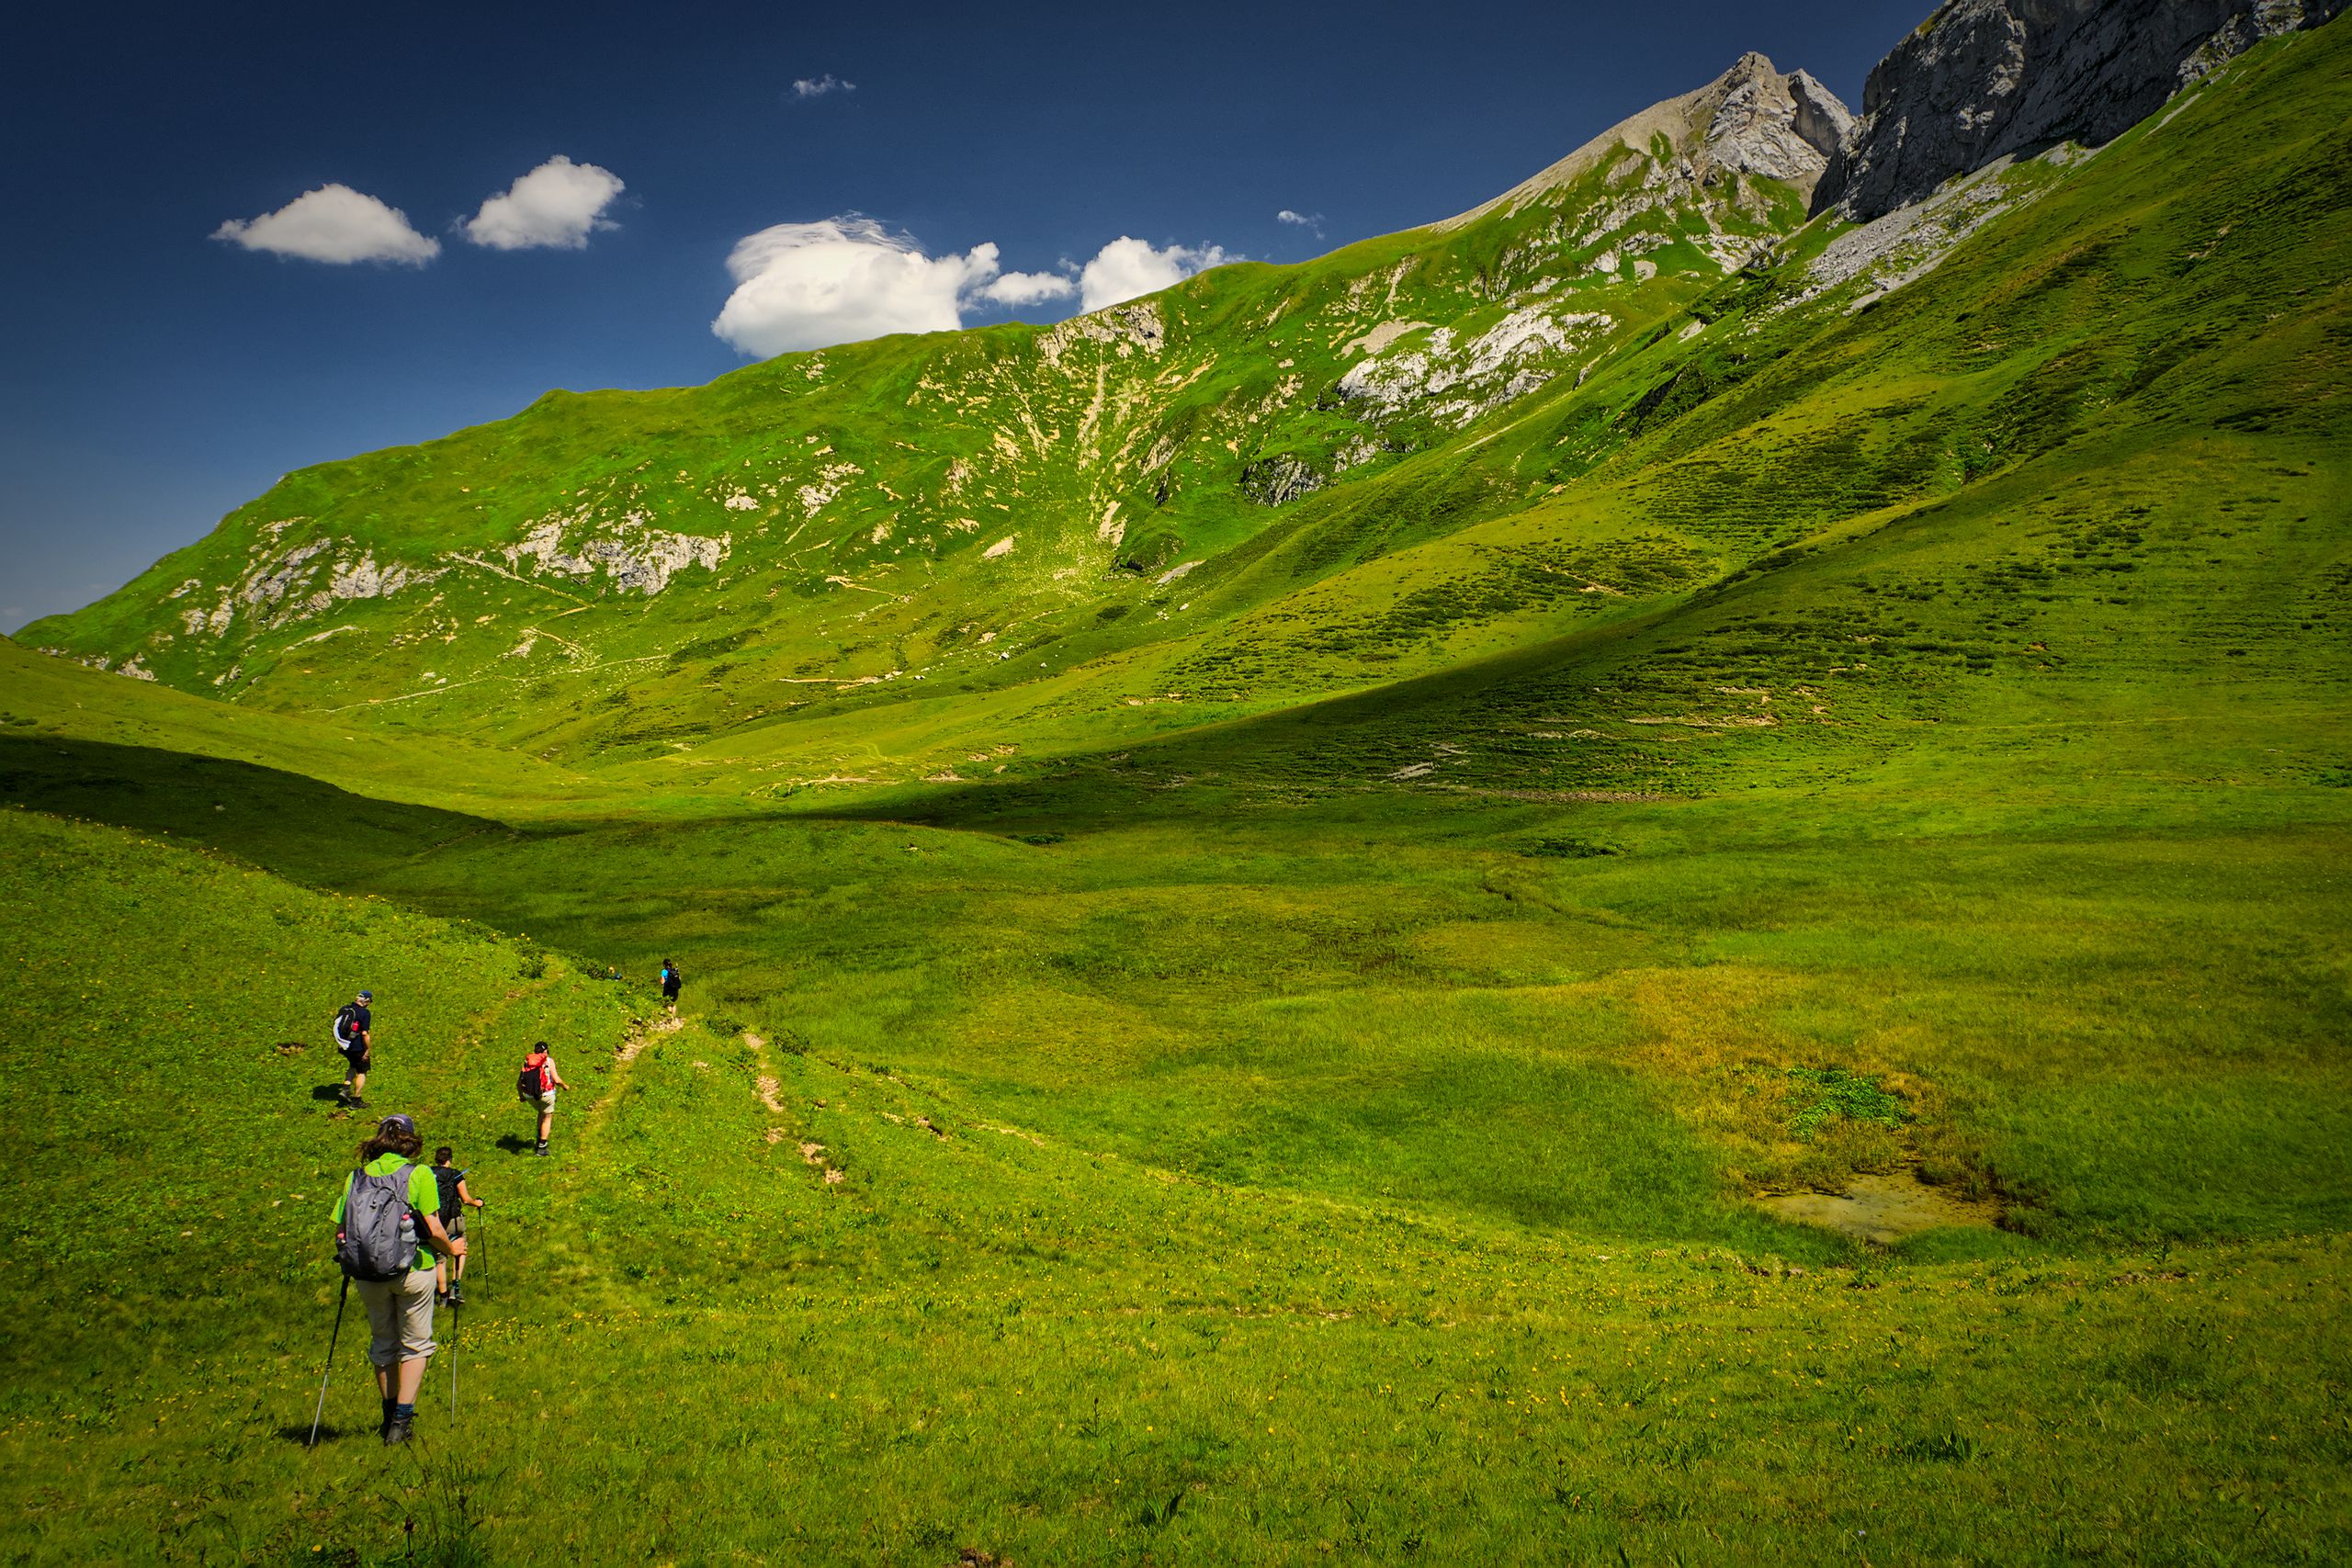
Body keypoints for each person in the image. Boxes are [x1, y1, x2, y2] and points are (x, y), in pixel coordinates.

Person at [330, 1113, 461, 1445]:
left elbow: (341, 1226)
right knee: (416, 1344)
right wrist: (453, 1248)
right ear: (410, 1142)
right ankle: (402, 1422)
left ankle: (387, 1416)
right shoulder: (418, 1175)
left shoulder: (356, 1177)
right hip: (414, 1269)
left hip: (367, 1275)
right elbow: (433, 1229)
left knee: (384, 1344)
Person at [430, 1146, 483, 1306]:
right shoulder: (456, 1175)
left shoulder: (429, 1175)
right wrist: (478, 1203)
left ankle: (443, 1295)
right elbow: (466, 1199)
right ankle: (456, 1288)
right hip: (454, 1220)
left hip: (437, 1220)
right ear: (450, 1159)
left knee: (440, 1258)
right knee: (461, 1251)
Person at [518, 1042, 572, 1156]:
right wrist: (565, 1086)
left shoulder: (528, 1061)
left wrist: (521, 1096)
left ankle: (539, 1137)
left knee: (541, 1113)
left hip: (530, 1095)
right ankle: (542, 1147)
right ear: (545, 1051)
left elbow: (519, 1082)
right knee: (547, 1117)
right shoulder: (548, 1060)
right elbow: (556, 1080)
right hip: (546, 1094)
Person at [333, 990, 375, 1109]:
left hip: (344, 1046)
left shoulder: (346, 1009)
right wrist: (367, 1050)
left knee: (353, 1065)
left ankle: (346, 1089)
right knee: (362, 1072)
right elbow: (365, 1033)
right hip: (357, 1047)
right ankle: (356, 1100)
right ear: (366, 1001)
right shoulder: (364, 1013)